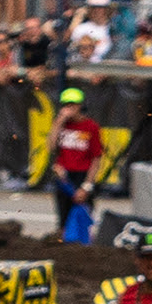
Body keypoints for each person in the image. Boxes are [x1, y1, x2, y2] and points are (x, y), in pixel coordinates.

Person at [45, 87, 112, 236]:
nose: (69, 109)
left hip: (82, 174)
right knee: (63, 222)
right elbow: (51, 147)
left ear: (80, 105)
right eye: (66, 105)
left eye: (72, 105)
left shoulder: (91, 127)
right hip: (64, 175)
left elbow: (96, 158)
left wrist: (87, 186)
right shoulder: (61, 125)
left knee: (83, 221)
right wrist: (58, 123)